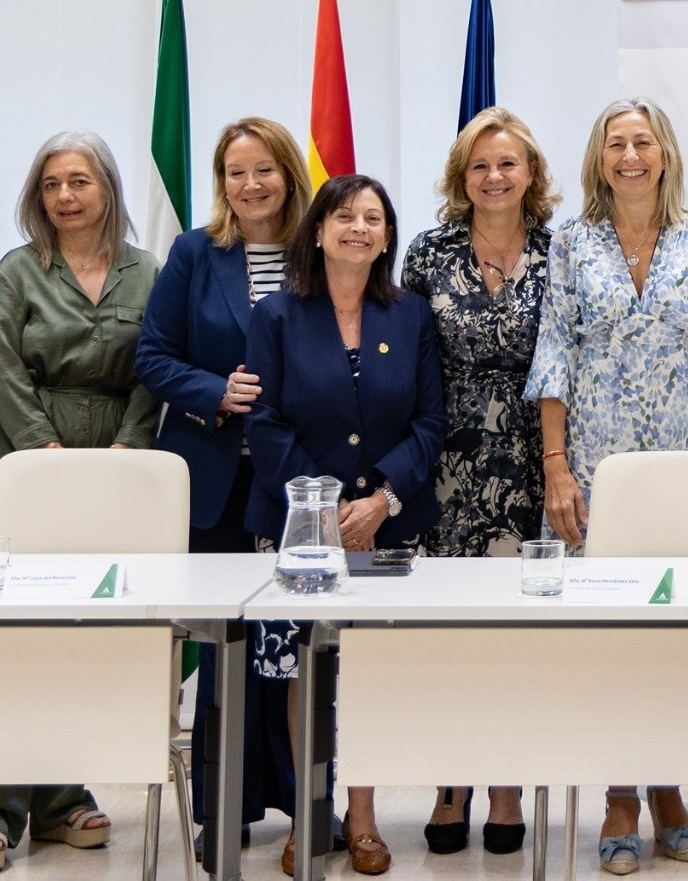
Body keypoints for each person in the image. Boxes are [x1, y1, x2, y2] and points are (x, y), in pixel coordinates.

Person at [525, 99, 688, 877]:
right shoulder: (571, 241)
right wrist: (555, 465)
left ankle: (669, 788)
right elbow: (554, 350)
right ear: (599, 159)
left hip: (682, 462)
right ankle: (620, 794)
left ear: (664, 155)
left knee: (674, 634)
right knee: (609, 634)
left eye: (642, 143)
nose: (629, 156)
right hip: (594, 463)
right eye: (615, 144)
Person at [0, 131, 163, 871]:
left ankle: (61, 797)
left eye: (80, 181)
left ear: (107, 188)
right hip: (29, 459)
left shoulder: (148, 271)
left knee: (86, 632)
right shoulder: (16, 271)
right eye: (51, 184)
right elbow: (1, 366)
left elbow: (156, 364)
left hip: (120, 460)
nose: (65, 196)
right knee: (14, 632)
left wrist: (131, 443)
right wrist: (41, 448)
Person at [246, 173, 447, 879]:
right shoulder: (277, 314)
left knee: (371, 670)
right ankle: (310, 815)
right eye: (344, 216)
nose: (358, 228)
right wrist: (326, 508)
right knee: (305, 669)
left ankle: (363, 819)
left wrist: (383, 500)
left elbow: (430, 421)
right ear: (319, 229)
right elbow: (265, 423)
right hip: (300, 529)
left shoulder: (411, 314)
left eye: (373, 218)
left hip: (389, 525)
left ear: (387, 237)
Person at [134, 117, 313, 860]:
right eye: (236, 172)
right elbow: (152, 356)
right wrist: (215, 391)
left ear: (289, 174)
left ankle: (306, 806)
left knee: (299, 647)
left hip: (298, 483)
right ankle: (222, 809)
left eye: (264, 169)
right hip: (216, 480)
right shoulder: (194, 252)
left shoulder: (320, 248)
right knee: (226, 649)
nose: (250, 185)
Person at [402, 106, 560, 857]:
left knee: (517, 635)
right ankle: (450, 782)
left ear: (531, 173)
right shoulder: (427, 253)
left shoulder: (563, 251)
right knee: (449, 634)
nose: (494, 176)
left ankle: (506, 785)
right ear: (460, 178)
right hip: (449, 465)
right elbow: (408, 361)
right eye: (479, 165)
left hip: (535, 464)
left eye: (507, 163)